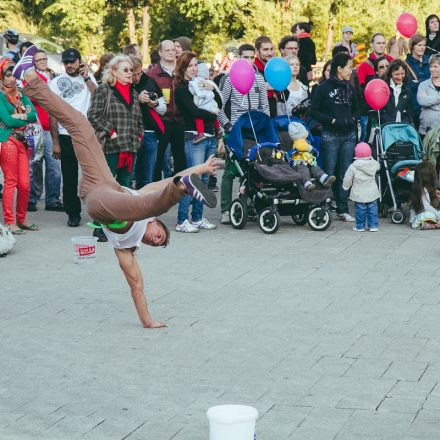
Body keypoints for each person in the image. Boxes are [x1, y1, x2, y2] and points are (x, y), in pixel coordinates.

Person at [15, 63, 218, 328]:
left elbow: (136, 286)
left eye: (155, 243)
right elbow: (168, 178)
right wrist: (201, 168)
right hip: (101, 180)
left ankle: (182, 190)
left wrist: (148, 321)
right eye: (160, 235)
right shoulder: (143, 198)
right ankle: (34, 86)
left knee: (141, 205)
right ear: (157, 224)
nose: (156, 239)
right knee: (79, 125)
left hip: (100, 203)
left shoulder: (126, 248)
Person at [218, 43, 270, 224]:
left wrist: (264, 126)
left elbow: (265, 107)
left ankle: (249, 205)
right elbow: (220, 107)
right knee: (231, 171)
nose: (248, 61)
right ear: (238, 57)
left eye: (251, 57)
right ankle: (225, 209)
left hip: (254, 131)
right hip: (235, 130)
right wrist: (227, 126)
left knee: (253, 170)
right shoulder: (229, 79)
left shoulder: (259, 79)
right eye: (245, 57)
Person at [47, 48, 97, 228]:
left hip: (86, 133)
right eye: (66, 62)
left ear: (79, 61)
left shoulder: (89, 78)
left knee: (92, 175)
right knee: (69, 177)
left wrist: (86, 77)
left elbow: (98, 97)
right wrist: (55, 142)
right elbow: (52, 113)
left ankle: (97, 211)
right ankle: (73, 213)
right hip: (65, 134)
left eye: (72, 61)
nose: (69, 65)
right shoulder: (56, 82)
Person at [174, 52, 222, 233]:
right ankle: (181, 220)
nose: (193, 68)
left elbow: (218, 102)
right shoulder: (181, 89)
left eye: (195, 65)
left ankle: (197, 217)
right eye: (189, 66)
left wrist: (211, 88)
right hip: (194, 136)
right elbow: (193, 111)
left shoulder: (202, 84)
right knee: (191, 178)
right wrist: (212, 114)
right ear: (182, 68)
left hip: (209, 135)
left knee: (204, 178)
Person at [311, 53, 359, 222]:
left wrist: (352, 120)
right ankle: (322, 206)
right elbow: (314, 111)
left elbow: (357, 108)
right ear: (339, 69)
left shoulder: (350, 87)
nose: (351, 70)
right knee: (329, 172)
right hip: (330, 135)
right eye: (349, 67)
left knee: (345, 173)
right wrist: (330, 120)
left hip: (348, 135)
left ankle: (343, 209)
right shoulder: (323, 87)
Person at [88, 55, 143, 188]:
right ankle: (105, 209)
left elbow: (139, 119)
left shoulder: (134, 93)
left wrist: (139, 136)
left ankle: (123, 209)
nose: (130, 73)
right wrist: (110, 131)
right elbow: (92, 115)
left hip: (130, 147)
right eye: (125, 70)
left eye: (130, 70)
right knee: (107, 185)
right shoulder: (104, 89)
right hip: (111, 147)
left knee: (126, 186)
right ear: (114, 72)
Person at [0, 57, 38, 234]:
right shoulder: (0, 95)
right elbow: (6, 120)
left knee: (24, 184)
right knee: (10, 181)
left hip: (23, 141)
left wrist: (18, 117)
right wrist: (21, 115)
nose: (12, 78)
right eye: (7, 75)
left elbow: (33, 116)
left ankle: (21, 219)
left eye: (13, 74)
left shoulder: (21, 93)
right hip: (7, 141)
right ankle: (9, 221)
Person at [27, 49, 63, 212]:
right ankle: (33, 198)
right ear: (34, 62)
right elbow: (31, 96)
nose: (42, 61)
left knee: (54, 165)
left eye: (44, 58)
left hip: (51, 128)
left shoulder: (53, 78)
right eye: (39, 59)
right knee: (35, 164)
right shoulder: (31, 78)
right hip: (35, 128)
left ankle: (53, 199)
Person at [148, 40, 186, 181]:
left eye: (173, 50)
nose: (172, 52)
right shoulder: (152, 74)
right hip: (161, 121)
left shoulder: (182, 71)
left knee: (180, 159)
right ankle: (156, 193)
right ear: (160, 53)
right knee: (158, 159)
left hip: (180, 120)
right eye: (167, 50)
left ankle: (179, 192)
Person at [131, 56, 166, 189]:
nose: (137, 78)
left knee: (147, 176)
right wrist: (137, 99)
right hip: (130, 133)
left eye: (140, 73)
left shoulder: (150, 81)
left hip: (150, 132)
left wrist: (155, 103)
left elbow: (163, 109)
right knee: (129, 174)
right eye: (134, 74)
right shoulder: (123, 83)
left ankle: (144, 205)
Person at [342, 142, 380, 232]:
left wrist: (345, 187)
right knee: (373, 209)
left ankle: (360, 227)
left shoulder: (353, 166)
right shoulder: (374, 164)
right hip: (372, 192)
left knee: (360, 210)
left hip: (359, 194)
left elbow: (348, 178)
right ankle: (373, 226)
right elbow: (378, 166)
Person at [188, 62, 221, 144]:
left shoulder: (195, 81)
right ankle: (218, 128)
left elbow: (197, 92)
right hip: (212, 104)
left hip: (203, 103)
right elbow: (219, 96)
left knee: (199, 117)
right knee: (214, 115)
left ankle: (200, 133)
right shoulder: (211, 82)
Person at [375, 59, 413, 125]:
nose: (400, 77)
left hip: (402, 128)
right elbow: (380, 112)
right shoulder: (383, 88)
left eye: (402, 74)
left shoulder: (407, 91)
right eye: (397, 74)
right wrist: (391, 123)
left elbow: (409, 113)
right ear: (390, 74)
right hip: (386, 127)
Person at [406, 34, 430, 130]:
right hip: (415, 107)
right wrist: (426, 81)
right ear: (413, 46)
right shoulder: (407, 63)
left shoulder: (429, 61)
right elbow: (409, 85)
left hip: (430, 106)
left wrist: (419, 82)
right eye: (419, 45)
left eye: (424, 45)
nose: (422, 48)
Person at [410, 161, 440, 229]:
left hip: (423, 214)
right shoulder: (423, 190)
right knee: (429, 215)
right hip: (421, 215)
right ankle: (433, 225)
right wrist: (438, 214)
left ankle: (432, 224)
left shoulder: (423, 188)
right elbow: (426, 207)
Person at [417, 54, 440, 137]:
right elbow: (422, 101)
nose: (432, 69)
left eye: (435, 66)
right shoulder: (423, 85)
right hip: (426, 132)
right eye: (431, 66)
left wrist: (430, 103)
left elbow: (427, 101)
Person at [254, 36, 276, 117]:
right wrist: (264, 87)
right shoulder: (252, 68)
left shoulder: (275, 67)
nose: (270, 53)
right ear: (257, 51)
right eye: (265, 50)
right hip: (257, 112)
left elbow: (285, 94)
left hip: (273, 111)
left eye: (271, 49)